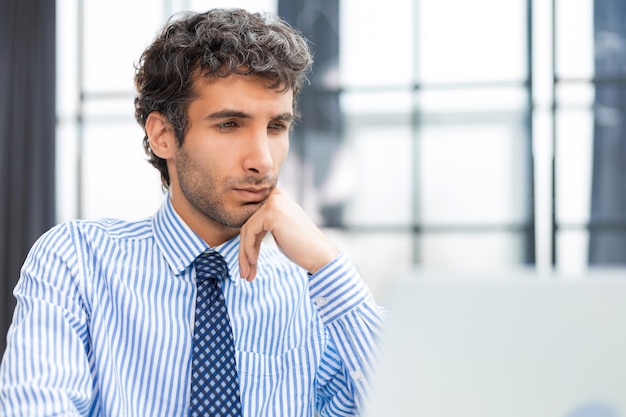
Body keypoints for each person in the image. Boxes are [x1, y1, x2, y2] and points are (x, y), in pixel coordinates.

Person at [0, 7, 385, 417]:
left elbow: (405, 401)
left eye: (276, 127)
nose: (264, 162)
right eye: (230, 125)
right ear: (163, 135)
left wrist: (327, 263)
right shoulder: (77, 262)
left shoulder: (316, 290)